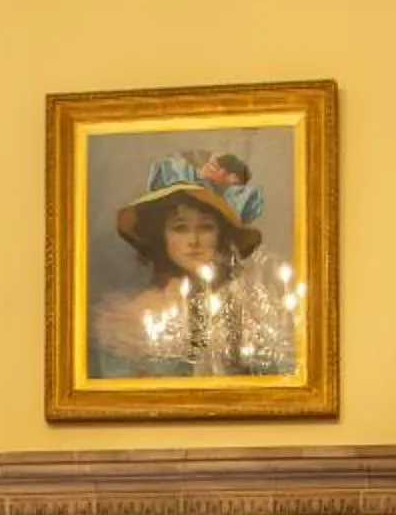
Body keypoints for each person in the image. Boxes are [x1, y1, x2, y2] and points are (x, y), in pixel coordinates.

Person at [87, 152, 272, 381]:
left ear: (221, 235)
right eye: (180, 228)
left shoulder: (246, 309)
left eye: (205, 227)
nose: (193, 240)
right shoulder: (128, 319)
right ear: (161, 235)